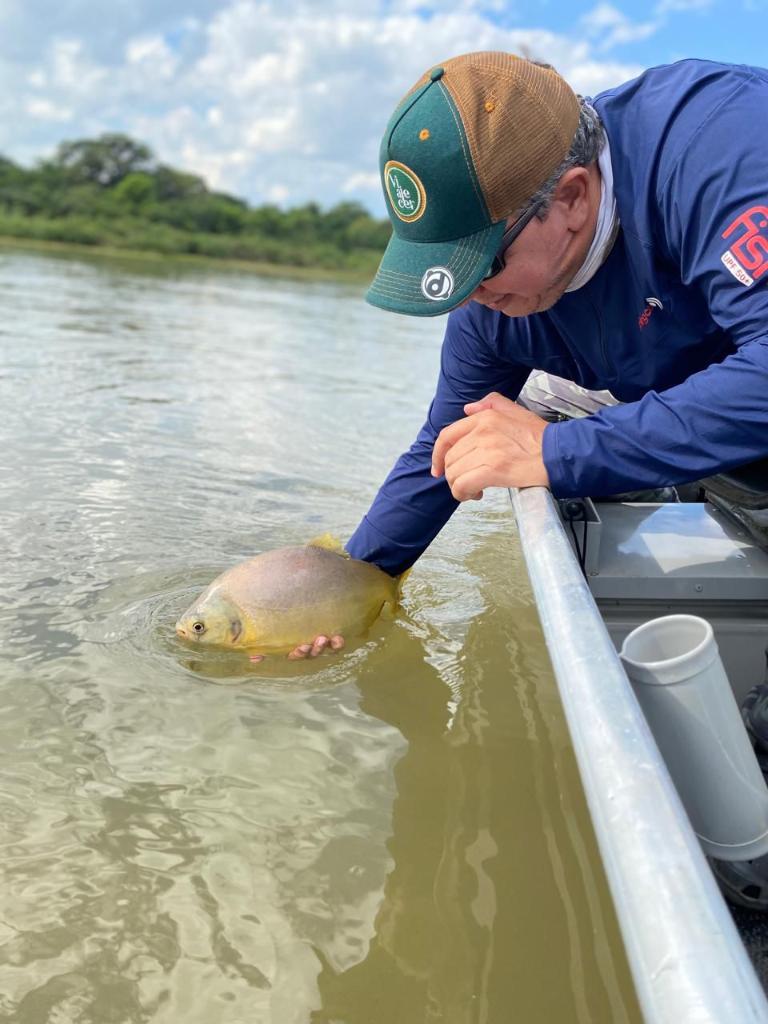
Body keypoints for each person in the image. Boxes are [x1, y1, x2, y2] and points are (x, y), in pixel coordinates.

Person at [288, 50, 768, 659]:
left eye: (482, 265)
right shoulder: (493, 308)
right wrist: (347, 583)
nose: (473, 298)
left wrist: (561, 452)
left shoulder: (718, 147)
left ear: (570, 198)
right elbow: (443, 442)